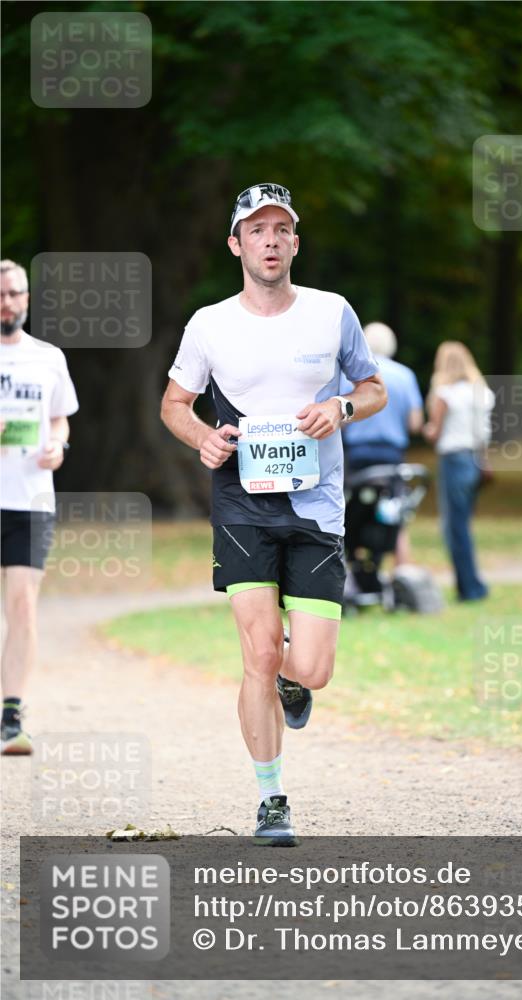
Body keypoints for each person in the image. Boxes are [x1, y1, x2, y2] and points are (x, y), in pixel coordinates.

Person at [160, 183, 386, 844]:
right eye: (256, 230)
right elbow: (174, 404)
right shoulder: (209, 324)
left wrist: (341, 408)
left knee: (309, 666)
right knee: (259, 652)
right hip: (241, 504)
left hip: (316, 508)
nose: (270, 241)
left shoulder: (330, 312)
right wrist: (201, 436)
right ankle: (271, 800)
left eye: (281, 230)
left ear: (295, 241)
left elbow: (371, 388)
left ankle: (294, 685)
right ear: (236, 243)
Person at [1, 259, 79, 754]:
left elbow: (60, 420)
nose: (6, 303)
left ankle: (11, 715)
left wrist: (58, 446)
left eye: (14, 294)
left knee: (23, 604)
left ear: (27, 298)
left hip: (30, 498)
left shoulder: (49, 357)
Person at [340, 321, 423, 564]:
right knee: (396, 513)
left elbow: (340, 417)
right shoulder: (405, 375)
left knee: (351, 512)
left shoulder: (352, 376)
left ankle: (352, 570)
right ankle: (402, 573)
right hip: (392, 456)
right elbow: (415, 423)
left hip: (357, 455)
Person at [422, 341, 494, 601]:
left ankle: (470, 588)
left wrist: (424, 428)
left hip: (453, 460)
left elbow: (434, 432)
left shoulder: (445, 393)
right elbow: (484, 434)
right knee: (464, 524)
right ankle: (471, 584)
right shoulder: (480, 392)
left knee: (455, 528)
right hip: (474, 460)